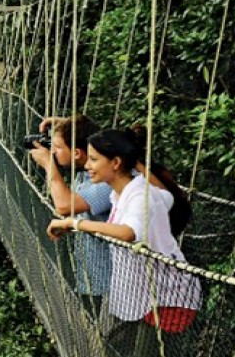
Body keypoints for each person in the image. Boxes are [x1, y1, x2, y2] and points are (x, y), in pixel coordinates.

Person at [46, 129, 201, 356]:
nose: (87, 165)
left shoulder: (140, 195)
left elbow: (128, 232)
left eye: (94, 159)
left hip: (166, 299)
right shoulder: (121, 193)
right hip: (143, 294)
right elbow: (165, 197)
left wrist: (75, 224)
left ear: (116, 162)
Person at [29, 114, 113, 310]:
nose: (52, 152)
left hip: (111, 285)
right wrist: (66, 125)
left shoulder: (106, 179)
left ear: (76, 153)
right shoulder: (85, 172)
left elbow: (64, 206)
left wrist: (48, 165)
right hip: (92, 278)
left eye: (57, 148)